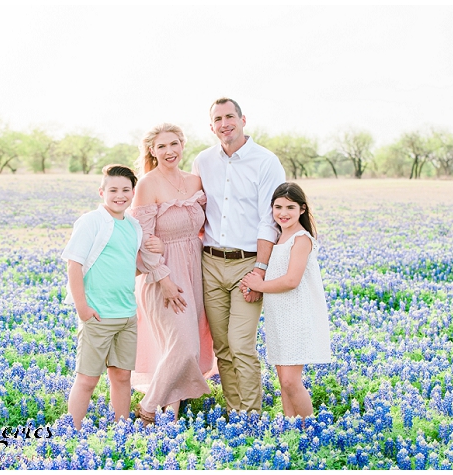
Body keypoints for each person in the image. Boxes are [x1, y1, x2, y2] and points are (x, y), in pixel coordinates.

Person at [193, 98, 286, 414]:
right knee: (223, 346)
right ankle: (235, 413)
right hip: (210, 262)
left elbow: (269, 218)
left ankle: (251, 415)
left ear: (243, 119)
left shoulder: (265, 161)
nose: (224, 123)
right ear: (211, 127)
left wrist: (260, 269)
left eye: (229, 116)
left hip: (248, 264)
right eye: (217, 119)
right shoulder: (203, 161)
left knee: (241, 344)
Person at [130, 123, 215, 424]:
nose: (169, 151)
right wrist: (163, 279)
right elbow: (141, 240)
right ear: (152, 151)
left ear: (182, 145)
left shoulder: (195, 182)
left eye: (174, 144)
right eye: (162, 146)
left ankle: (172, 415)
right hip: (162, 276)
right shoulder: (147, 185)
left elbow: (206, 227)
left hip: (195, 271)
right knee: (184, 344)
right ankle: (149, 409)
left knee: (178, 346)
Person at [63, 164, 151, 429]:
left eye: (125, 190)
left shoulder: (134, 226)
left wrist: (152, 253)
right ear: (102, 192)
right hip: (98, 314)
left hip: (126, 314)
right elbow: (73, 264)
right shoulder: (92, 221)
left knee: (122, 376)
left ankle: (121, 428)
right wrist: (83, 308)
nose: (119, 195)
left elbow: (129, 267)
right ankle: (73, 430)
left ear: (133, 193)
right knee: (88, 379)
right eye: (113, 190)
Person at [241, 183, 333, 420]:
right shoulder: (280, 237)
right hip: (279, 316)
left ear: (302, 209)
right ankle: (292, 430)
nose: (283, 213)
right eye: (278, 207)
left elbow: (292, 280)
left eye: (290, 207)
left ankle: (310, 430)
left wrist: (260, 285)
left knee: (292, 381)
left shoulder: (301, 239)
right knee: (284, 382)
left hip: (297, 316)